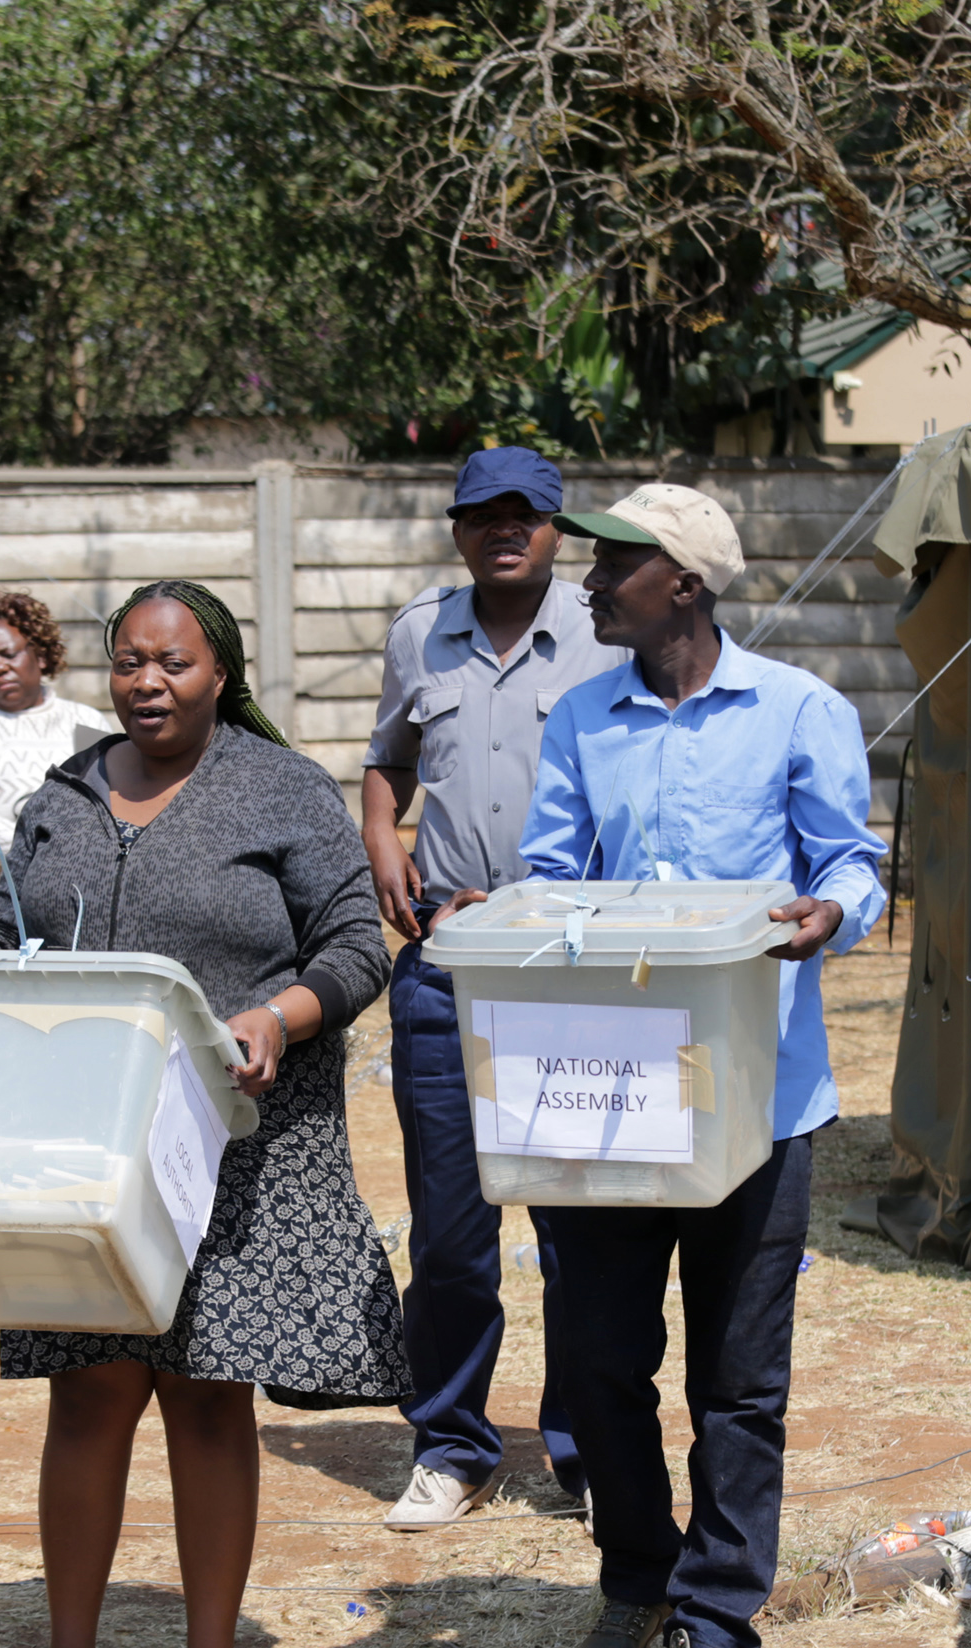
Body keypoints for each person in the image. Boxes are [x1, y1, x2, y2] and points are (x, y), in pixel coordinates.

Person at [455, 483, 886, 1648]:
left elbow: (849, 861)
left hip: (760, 1100)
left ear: (683, 585)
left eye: (615, 566)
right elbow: (553, 872)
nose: (588, 582)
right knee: (599, 1364)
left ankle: (715, 1627)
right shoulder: (585, 716)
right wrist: (515, 913)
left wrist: (829, 914)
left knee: (738, 1383)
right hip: (609, 1097)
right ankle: (635, 1579)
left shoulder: (799, 710)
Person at [0, 579, 406, 1648]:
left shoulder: (282, 789)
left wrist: (279, 1015)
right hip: (82, 1142)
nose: (148, 682)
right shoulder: (63, 794)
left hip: (229, 1143)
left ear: (222, 674)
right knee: (88, 1390)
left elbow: (356, 944)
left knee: (209, 1393)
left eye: (173, 662)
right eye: (129, 661)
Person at [361, 446, 621, 1531]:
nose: (503, 530)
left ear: (558, 529)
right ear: (458, 528)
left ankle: (589, 1450)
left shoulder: (609, 629)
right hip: (446, 959)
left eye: (525, 515)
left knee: (579, 1232)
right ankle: (452, 1445)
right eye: (482, 514)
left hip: (572, 966)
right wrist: (382, 838)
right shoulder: (420, 632)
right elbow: (389, 759)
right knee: (452, 1234)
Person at [0, 590, 110, 940]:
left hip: (70, 911)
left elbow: (108, 808)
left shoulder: (85, 722)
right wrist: (41, 850)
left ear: (40, 654)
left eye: (9, 654)